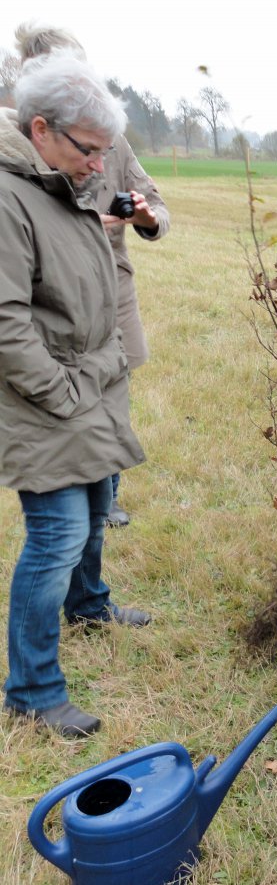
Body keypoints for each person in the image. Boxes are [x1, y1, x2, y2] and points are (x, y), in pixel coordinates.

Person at [1, 51, 150, 739]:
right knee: (57, 534)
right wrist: (60, 392)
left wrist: (105, 362)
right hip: (45, 398)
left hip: (88, 384)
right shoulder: (10, 198)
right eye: (89, 150)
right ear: (41, 129)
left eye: (103, 151)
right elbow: (6, 323)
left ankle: (88, 606)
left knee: (94, 509)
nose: (98, 164)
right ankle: (32, 690)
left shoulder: (61, 184)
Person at [15, 22, 170, 528]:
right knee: (62, 404)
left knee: (111, 397)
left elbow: (158, 209)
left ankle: (106, 498)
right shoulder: (20, 154)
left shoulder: (110, 140)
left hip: (110, 289)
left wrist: (143, 216)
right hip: (52, 301)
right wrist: (78, 227)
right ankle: (70, 506)